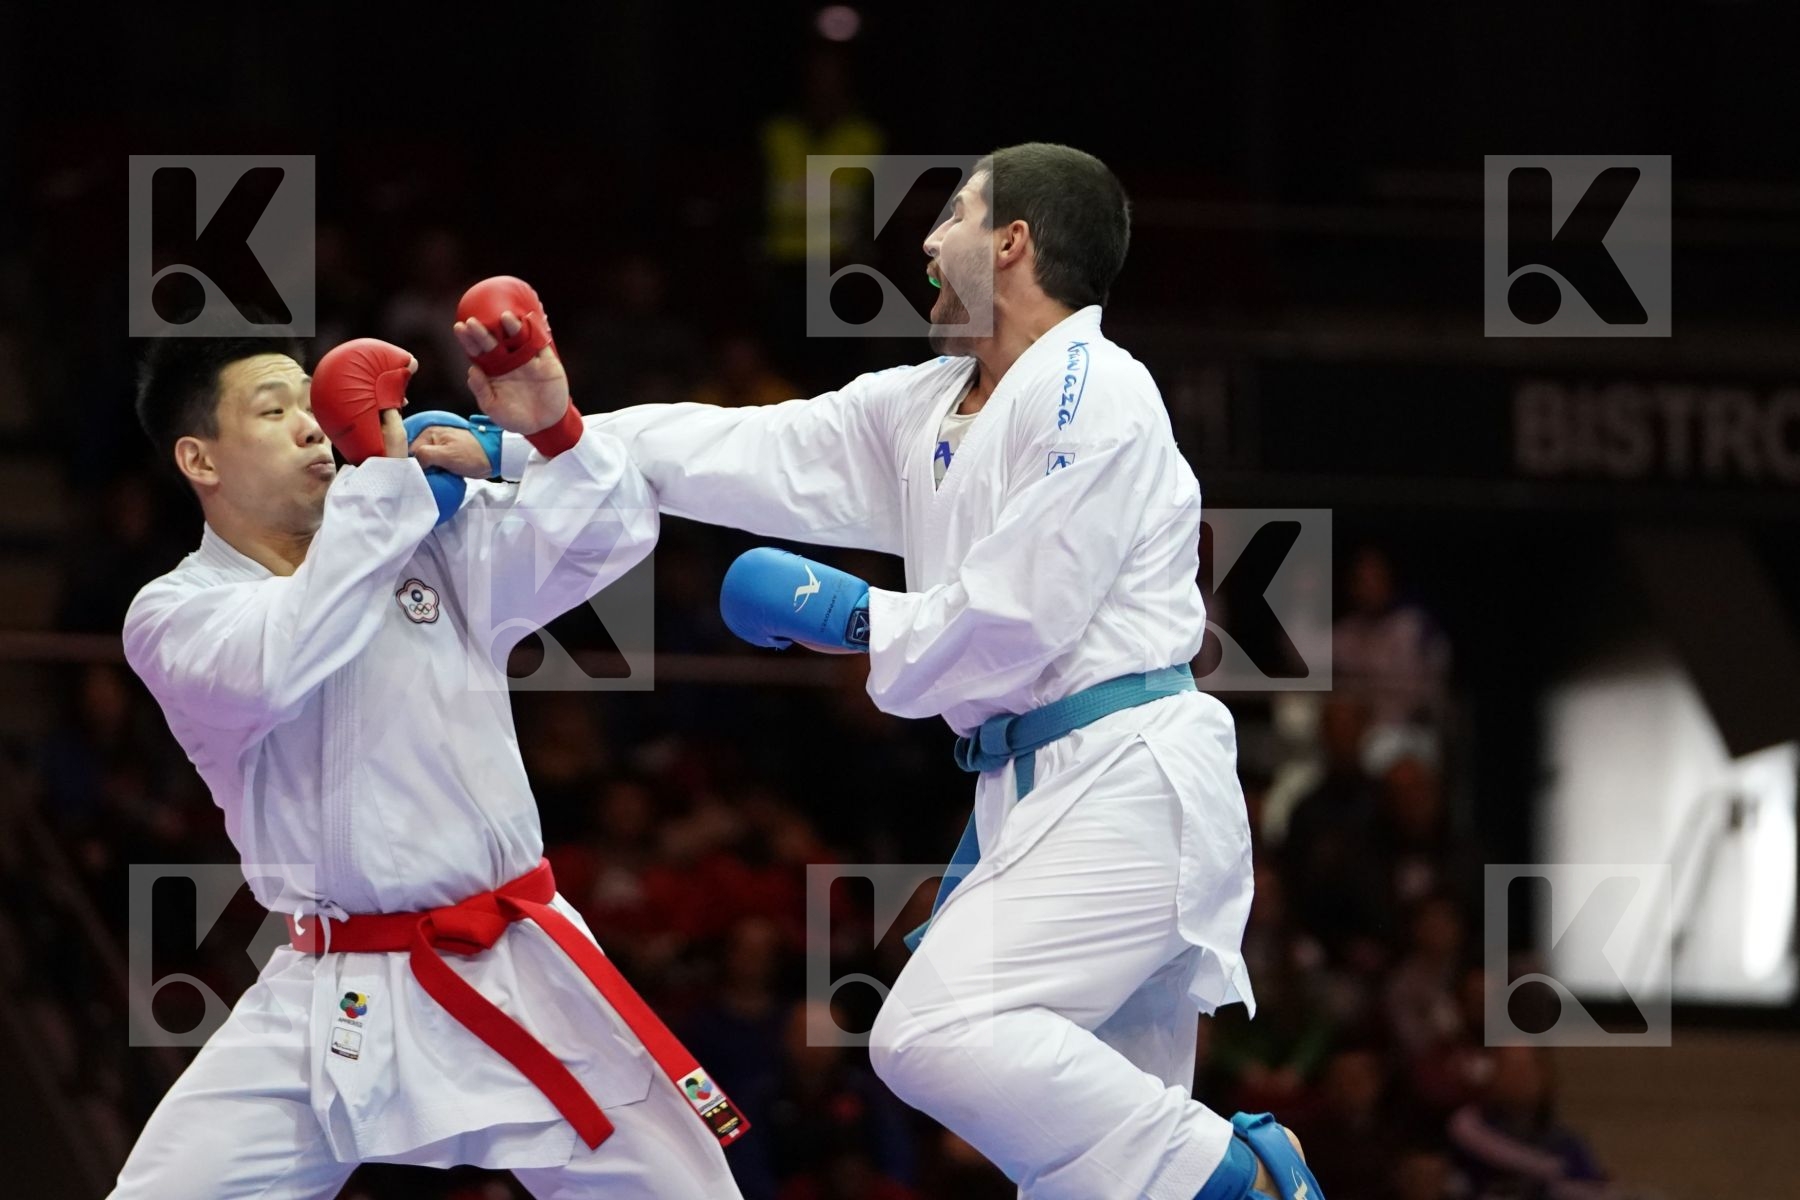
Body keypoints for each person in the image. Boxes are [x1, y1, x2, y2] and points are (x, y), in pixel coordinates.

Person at [477, 143, 1320, 1200]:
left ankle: (1245, 1174)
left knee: (931, 1031)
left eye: (955, 215)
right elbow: (745, 451)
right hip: (1031, 785)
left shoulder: (1100, 389)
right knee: (1086, 1176)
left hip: (1129, 775)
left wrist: (850, 616)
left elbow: (1022, 620)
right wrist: (541, 442)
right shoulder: (926, 406)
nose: (927, 242)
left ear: (1014, 242)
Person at [112, 295, 744, 1198]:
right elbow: (276, 662)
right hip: (328, 988)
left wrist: (547, 431)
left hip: (515, 961)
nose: (313, 427)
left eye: (311, 402)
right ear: (198, 458)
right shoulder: (173, 613)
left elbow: (608, 536)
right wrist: (389, 496)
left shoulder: (423, 541)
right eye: (273, 410)